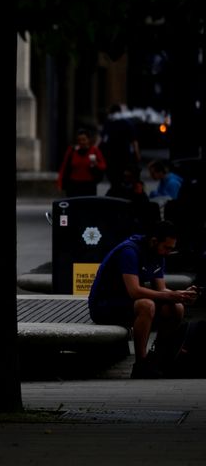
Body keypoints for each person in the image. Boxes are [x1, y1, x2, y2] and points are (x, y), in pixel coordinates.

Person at [88, 220, 200, 378]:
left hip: (126, 303)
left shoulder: (158, 254)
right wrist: (169, 295)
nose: (168, 252)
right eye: (166, 247)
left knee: (176, 307)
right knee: (146, 305)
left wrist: (181, 294)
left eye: (171, 249)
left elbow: (162, 289)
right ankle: (141, 364)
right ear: (154, 241)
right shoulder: (129, 251)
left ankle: (158, 357)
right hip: (104, 305)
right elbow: (134, 291)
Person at [99, 104, 141, 189]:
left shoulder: (109, 123)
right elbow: (133, 140)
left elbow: (102, 138)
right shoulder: (127, 123)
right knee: (123, 178)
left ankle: (116, 190)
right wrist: (137, 153)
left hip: (111, 157)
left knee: (114, 179)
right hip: (124, 155)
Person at [56, 128, 107, 197]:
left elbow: (103, 166)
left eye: (84, 139)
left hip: (89, 185)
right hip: (74, 185)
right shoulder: (72, 150)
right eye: (79, 140)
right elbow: (64, 167)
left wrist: (96, 164)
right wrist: (60, 183)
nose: (81, 142)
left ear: (88, 140)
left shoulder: (94, 150)